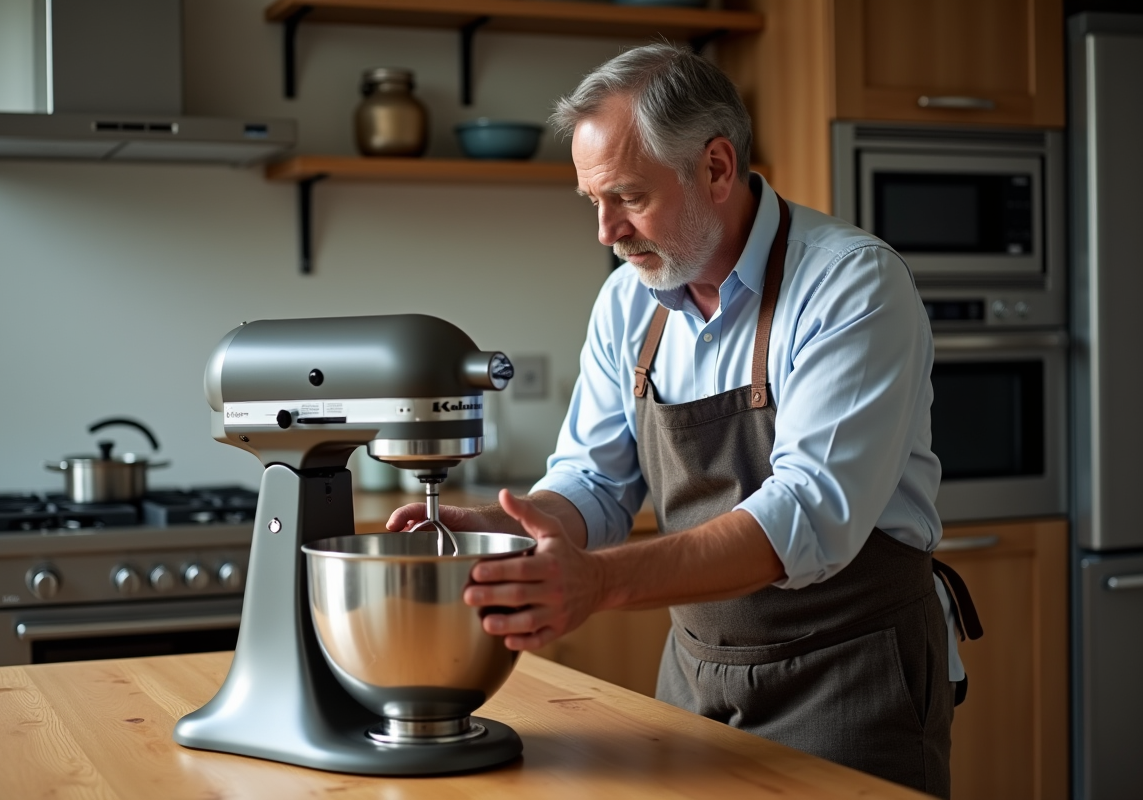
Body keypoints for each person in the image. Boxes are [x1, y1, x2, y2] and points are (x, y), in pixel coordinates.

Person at [388, 43, 979, 799]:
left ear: (717, 168)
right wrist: (511, 525)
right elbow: (596, 482)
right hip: (698, 677)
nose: (606, 231)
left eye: (628, 197)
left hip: (855, 674)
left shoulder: (850, 286)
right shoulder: (628, 303)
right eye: (592, 202)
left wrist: (598, 583)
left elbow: (809, 514)